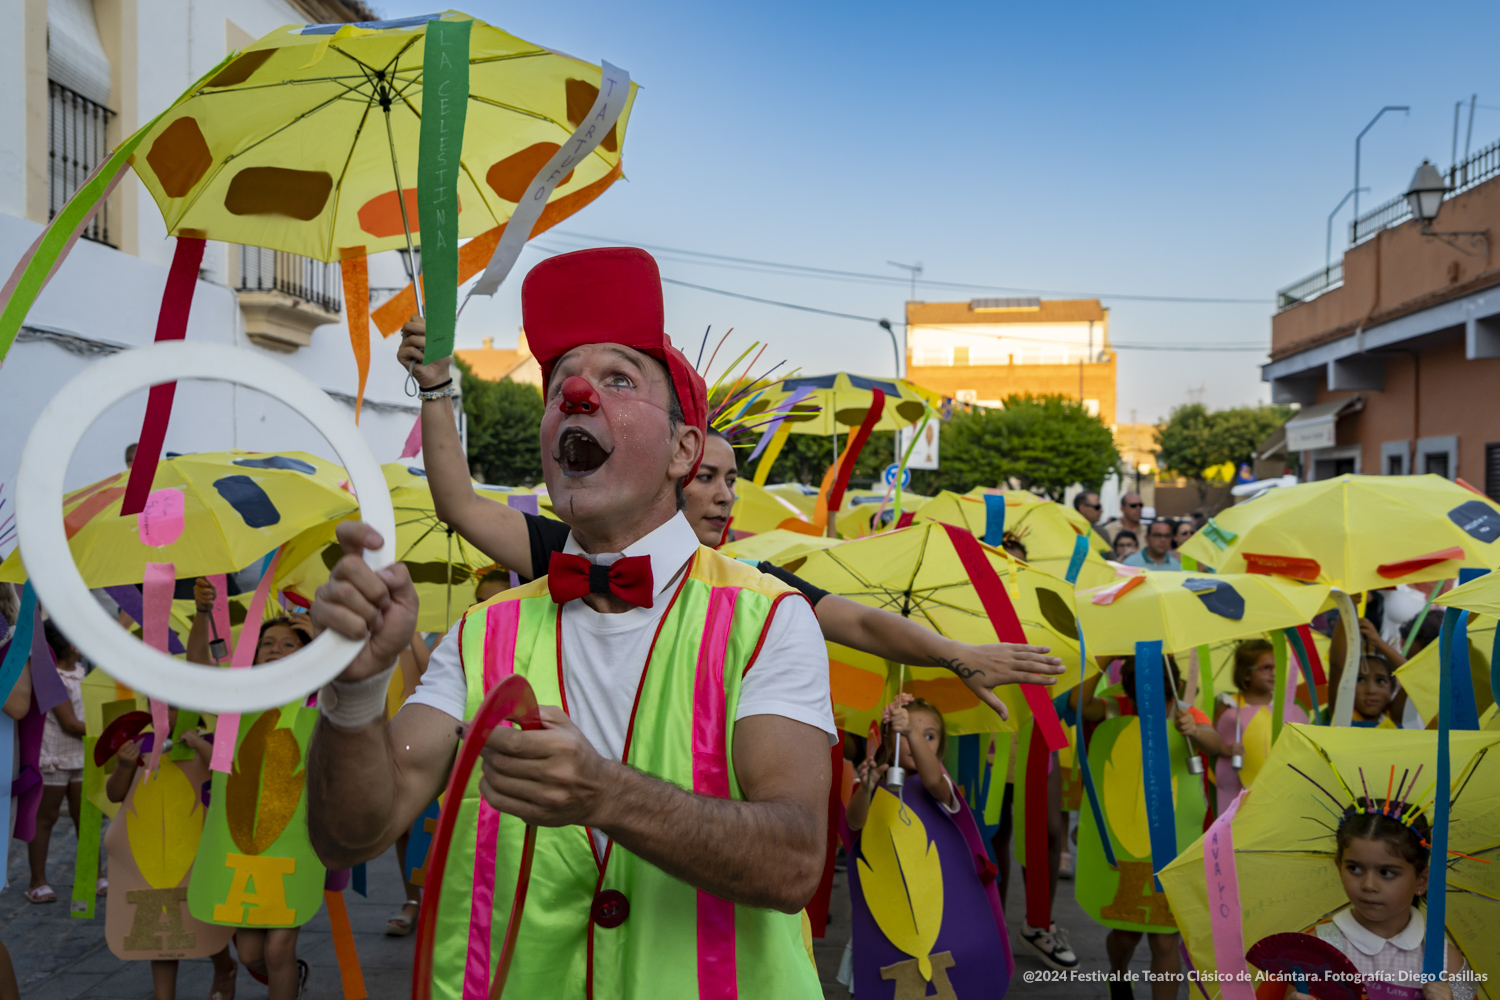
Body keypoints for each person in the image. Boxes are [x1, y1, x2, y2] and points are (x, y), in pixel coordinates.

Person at [307, 247, 837, 998]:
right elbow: (350, 833)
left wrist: (607, 795)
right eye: (560, 387)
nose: (578, 395)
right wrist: (355, 696)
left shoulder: (769, 621)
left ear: (686, 449)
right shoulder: (478, 635)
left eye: (619, 378)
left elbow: (794, 862)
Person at [388, 323, 1063, 721]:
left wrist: (960, 653)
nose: (722, 496)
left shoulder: (753, 596)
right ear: (669, 468)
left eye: (732, 480)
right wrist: (438, 388)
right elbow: (461, 504)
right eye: (706, 476)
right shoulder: (562, 553)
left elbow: (856, 622)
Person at [186, 584, 317, 1000]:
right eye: (267, 644)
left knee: (278, 948)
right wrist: (203, 614)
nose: (275, 649)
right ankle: (291, 977)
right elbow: (195, 668)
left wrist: (322, 638)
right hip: (240, 841)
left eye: (289, 643)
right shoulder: (238, 696)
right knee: (250, 955)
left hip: (295, 842)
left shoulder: (319, 697)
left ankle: (285, 974)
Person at [845, 696, 1011, 997]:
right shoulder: (877, 784)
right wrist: (867, 787)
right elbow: (855, 824)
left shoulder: (942, 788)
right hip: (884, 920)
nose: (915, 741)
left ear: (939, 746)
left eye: (928, 736)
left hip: (937, 922)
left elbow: (933, 778)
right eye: (903, 735)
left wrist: (910, 730)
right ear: (889, 739)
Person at [1075, 656, 1207, 1000]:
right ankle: (1118, 978)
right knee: (1126, 932)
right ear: (1129, 687)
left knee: (1165, 936)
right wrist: (1102, 658)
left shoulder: (1187, 714)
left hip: (1174, 843)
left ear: (1172, 683)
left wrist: (1193, 731)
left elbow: (1219, 747)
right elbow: (1078, 705)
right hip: (1124, 842)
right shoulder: (1115, 709)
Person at [104, 711, 237, 1000]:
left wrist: (201, 746)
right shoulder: (140, 743)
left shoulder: (212, 741)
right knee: (160, 934)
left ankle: (225, 968)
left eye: (174, 704)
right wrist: (124, 765)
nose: (165, 711)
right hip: (154, 848)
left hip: (198, 846)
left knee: (201, 919)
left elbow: (228, 776)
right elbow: (115, 794)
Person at [1286, 797, 1474, 1000]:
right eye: (1355, 868)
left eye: (1386, 873)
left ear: (1421, 880)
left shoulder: (1448, 963)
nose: (1368, 885)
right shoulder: (1316, 948)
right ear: (1339, 867)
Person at [26, 621, 88, 904]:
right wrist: (107, 727)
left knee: (84, 818)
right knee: (46, 817)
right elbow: (71, 724)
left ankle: (92, 875)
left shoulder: (80, 672)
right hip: (55, 755)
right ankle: (37, 880)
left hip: (79, 756)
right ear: (70, 646)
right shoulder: (52, 678)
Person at [1211, 639, 1307, 813]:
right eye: (1266, 668)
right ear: (1246, 673)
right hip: (1241, 786)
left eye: (1276, 666)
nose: (1273, 673)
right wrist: (1226, 748)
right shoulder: (1230, 703)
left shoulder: (1283, 704)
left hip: (1279, 782)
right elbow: (1214, 740)